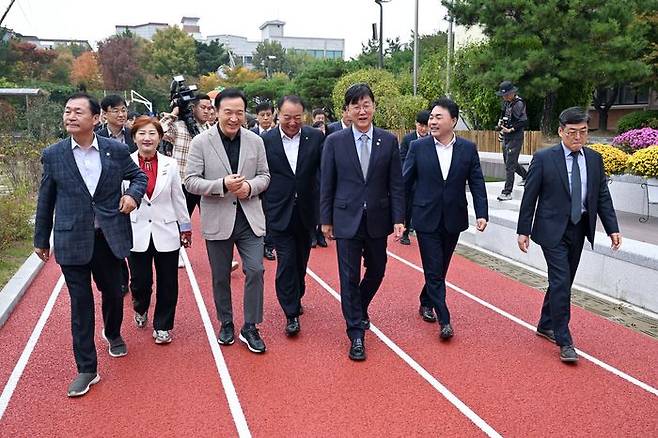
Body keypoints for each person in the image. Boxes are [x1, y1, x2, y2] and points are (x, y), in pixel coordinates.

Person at [33, 93, 147, 397]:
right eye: (67, 111)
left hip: (108, 237)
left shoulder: (116, 150)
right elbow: (46, 199)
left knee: (113, 292)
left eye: (78, 112)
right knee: (80, 304)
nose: (70, 116)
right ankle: (86, 369)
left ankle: (112, 332)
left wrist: (132, 196)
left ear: (95, 119)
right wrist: (41, 238)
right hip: (72, 239)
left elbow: (138, 177)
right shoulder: (54, 154)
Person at [517, 106, 621, 363]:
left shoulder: (594, 160)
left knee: (563, 281)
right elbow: (530, 197)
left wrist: (612, 228)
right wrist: (523, 230)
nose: (578, 137)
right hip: (551, 230)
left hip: (580, 227)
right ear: (561, 131)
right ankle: (564, 339)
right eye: (572, 132)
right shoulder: (544, 158)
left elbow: (602, 196)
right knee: (562, 281)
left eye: (583, 132)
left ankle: (545, 323)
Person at [320, 83, 405, 361]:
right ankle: (356, 332)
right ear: (347, 111)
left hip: (378, 218)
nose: (362, 110)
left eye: (366, 104)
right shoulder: (334, 142)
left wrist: (399, 218)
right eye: (355, 105)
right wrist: (326, 219)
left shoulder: (389, 141)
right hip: (346, 219)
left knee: (378, 270)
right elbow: (327, 183)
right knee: (348, 276)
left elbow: (396, 183)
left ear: (374, 107)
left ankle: (357, 304)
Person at [185, 88, 271, 354]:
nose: (234, 118)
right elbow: (191, 181)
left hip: (249, 218)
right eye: (228, 112)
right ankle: (226, 321)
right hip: (218, 218)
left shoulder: (255, 141)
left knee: (256, 270)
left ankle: (250, 326)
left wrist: (251, 188)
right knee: (220, 276)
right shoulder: (201, 142)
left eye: (239, 113)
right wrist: (220, 184)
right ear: (216, 111)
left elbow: (265, 176)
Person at [403, 97, 488, 339]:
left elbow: (477, 182)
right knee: (433, 268)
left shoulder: (467, 149)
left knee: (440, 268)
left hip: (453, 217)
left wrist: (482, 212)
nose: (432, 121)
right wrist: (398, 216)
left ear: (454, 120)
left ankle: (425, 300)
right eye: (431, 117)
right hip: (425, 217)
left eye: (438, 117)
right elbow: (404, 182)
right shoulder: (418, 148)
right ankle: (445, 319)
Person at [125, 116, 191, 344]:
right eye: (142, 133)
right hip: (137, 232)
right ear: (134, 138)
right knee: (140, 282)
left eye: (152, 133)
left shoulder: (170, 165)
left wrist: (185, 226)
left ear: (160, 138)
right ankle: (140, 307)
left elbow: (178, 197)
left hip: (166, 230)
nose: (147, 138)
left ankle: (163, 326)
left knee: (168, 282)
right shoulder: (124, 163)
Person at [262, 96, 323, 336]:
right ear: (278, 114)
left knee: (301, 260)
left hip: (307, 211)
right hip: (278, 210)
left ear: (304, 116)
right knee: (286, 261)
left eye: (297, 117)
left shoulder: (316, 137)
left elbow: (323, 171)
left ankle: (297, 293)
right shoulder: (265, 141)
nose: (292, 122)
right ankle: (290, 313)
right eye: (287, 117)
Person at [160, 94, 213, 217]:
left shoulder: (211, 131)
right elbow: (158, 131)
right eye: (203, 107)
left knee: (211, 221)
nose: (206, 111)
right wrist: (174, 112)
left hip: (204, 183)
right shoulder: (179, 127)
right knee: (179, 221)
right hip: (181, 182)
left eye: (209, 108)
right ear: (193, 108)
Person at [399, 109, 430, 245]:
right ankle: (405, 232)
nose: (423, 129)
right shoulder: (408, 139)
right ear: (416, 124)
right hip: (411, 180)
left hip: (427, 180)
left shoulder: (433, 138)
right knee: (408, 207)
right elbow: (403, 159)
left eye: (426, 126)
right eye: (420, 125)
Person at [251, 101, 276, 261]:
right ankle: (255, 244)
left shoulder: (278, 134)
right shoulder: (250, 134)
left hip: (273, 181)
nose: (266, 118)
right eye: (262, 115)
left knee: (270, 215)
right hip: (254, 180)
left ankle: (268, 246)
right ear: (257, 117)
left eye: (268, 115)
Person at [495, 81, 528, 201]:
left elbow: (524, 122)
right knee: (509, 161)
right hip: (506, 135)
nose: (504, 97)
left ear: (512, 93)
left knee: (510, 164)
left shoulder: (519, 103)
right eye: (503, 95)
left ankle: (507, 191)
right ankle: (526, 176)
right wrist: (500, 124)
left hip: (515, 136)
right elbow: (503, 115)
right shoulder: (506, 103)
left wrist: (511, 129)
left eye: (506, 94)